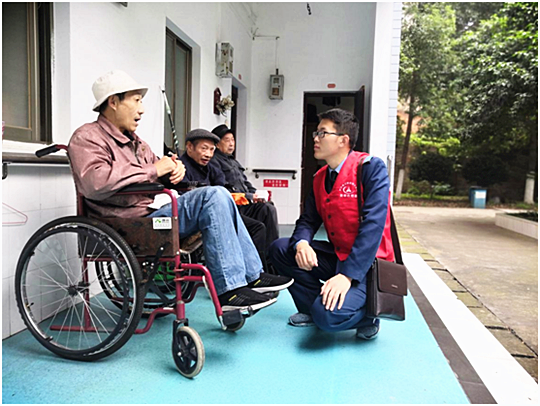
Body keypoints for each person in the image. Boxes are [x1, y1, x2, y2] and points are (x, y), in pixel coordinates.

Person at [68, 70, 293, 313]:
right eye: (136, 100)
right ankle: (230, 291)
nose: (141, 109)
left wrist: (174, 169)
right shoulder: (87, 137)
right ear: (113, 101)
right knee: (214, 195)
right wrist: (155, 169)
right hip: (125, 223)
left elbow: (158, 167)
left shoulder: (137, 142)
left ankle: (253, 276)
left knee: (221, 194)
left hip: (151, 215)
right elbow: (94, 182)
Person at [268, 108, 395, 339]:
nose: (315, 139)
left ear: (343, 140)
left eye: (322, 133)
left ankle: (369, 315)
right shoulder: (320, 177)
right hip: (338, 255)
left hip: (368, 264)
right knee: (281, 249)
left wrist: (347, 276)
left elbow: (373, 226)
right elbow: (308, 220)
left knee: (328, 318)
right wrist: (302, 244)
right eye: (316, 133)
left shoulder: (370, 168)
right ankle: (312, 309)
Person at [178, 130, 272, 274]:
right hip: (196, 217)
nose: (208, 154)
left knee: (265, 211)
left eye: (211, 149)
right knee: (256, 228)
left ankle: (262, 269)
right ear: (190, 147)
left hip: (220, 211)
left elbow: (223, 188)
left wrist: (250, 196)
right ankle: (254, 273)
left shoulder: (212, 167)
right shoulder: (180, 167)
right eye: (204, 148)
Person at [211, 125, 280, 250]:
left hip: (246, 202)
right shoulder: (214, 161)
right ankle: (268, 253)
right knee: (266, 211)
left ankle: (271, 250)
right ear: (217, 144)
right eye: (227, 140)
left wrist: (256, 194)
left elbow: (245, 182)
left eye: (233, 140)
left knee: (268, 206)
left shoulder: (233, 161)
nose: (231, 144)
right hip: (235, 205)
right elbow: (223, 188)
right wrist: (249, 197)